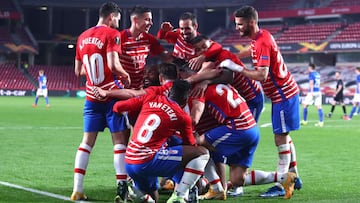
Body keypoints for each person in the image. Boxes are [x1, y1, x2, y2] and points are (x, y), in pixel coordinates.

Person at [223, 5, 302, 197]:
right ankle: (294, 177)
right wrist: (231, 57)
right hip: (283, 94)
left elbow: (262, 75)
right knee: (284, 135)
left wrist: (237, 68)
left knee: (280, 137)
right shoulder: (260, 37)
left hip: (283, 94)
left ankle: (283, 182)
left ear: (251, 22)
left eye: (240, 24)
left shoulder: (261, 42)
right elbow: (253, 54)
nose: (237, 28)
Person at [189, 81, 297, 200]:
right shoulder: (220, 82)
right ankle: (285, 177)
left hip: (237, 129)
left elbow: (195, 118)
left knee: (198, 144)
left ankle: (215, 188)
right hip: (251, 128)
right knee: (238, 179)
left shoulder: (198, 90)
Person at [113, 79, 210, 203]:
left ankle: (136, 194)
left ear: (169, 93)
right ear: (185, 101)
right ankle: (180, 195)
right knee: (202, 153)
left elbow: (118, 107)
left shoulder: (151, 98)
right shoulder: (182, 117)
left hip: (130, 161)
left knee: (154, 198)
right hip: (148, 160)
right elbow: (190, 145)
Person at [71, 2, 131, 202]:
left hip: (90, 97)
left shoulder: (81, 37)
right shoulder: (113, 34)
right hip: (111, 96)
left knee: (86, 143)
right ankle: (122, 188)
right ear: (112, 16)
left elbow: (78, 71)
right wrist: (125, 75)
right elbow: (114, 64)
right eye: (117, 19)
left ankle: (77, 189)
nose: (118, 23)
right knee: (120, 143)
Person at [119, 5, 172, 90]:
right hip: (122, 89)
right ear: (135, 19)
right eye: (147, 20)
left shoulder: (149, 38)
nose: (151, 23)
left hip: (140, 89)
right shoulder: (120, 38)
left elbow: (167, 56)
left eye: (151, 20)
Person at [157, 12, 222, 70]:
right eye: (182, 28)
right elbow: (161, 37)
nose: (184, 32)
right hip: (174, 68)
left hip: (190, 71)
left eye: (187, 28)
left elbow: (217, 46)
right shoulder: (178, 33)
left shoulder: (201, 41)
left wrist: (203, 56)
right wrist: (163, 30)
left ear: (195, 26)